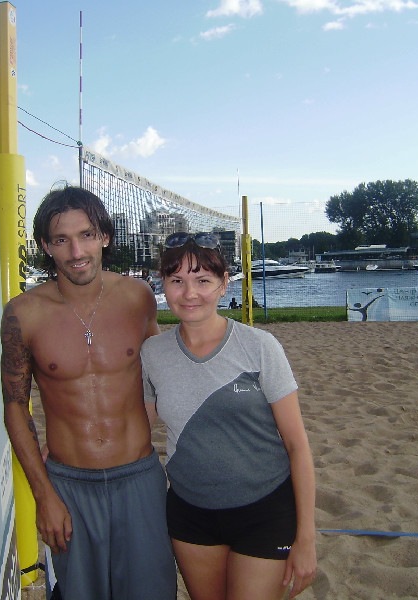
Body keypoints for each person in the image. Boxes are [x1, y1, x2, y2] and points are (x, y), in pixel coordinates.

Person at [0, 186, 177, 600]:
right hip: (69, 487)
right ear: (46, 246)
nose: (76, 251)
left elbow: (160, 374)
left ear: (105, 237)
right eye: (61, 240)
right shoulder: (23, 313)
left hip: (138, 477)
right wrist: (44, 495)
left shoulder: (137, 298)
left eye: (86, 235)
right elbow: (15, 407)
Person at [141, 232, 317, 600]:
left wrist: (306, 538)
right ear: (163, 285)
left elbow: (297, 445)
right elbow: (136, 427)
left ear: (224, 284)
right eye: (177, 281)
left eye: (203, 280)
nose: (190, 293)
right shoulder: (153, 353)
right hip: (191, 512)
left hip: (265, 510)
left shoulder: (259, 346)